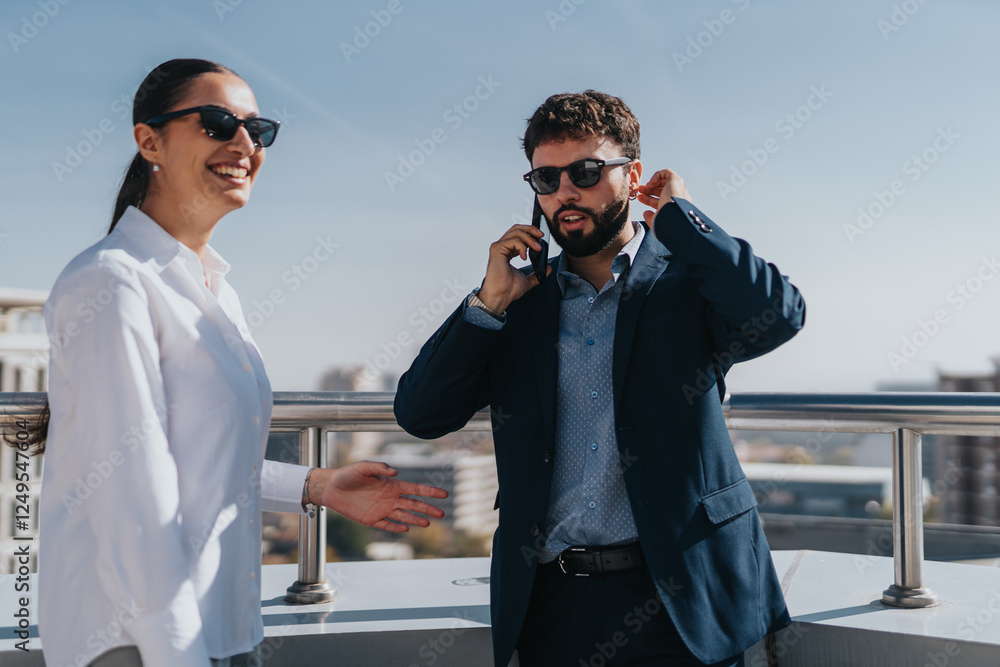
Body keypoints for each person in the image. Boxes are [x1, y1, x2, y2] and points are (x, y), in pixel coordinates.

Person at [36, 59, 447, 667]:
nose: (244, 144)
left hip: (225, 630)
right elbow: (130, 501)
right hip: (138, 643)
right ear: (149, 139)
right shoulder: (110, 284)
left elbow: (199, 458)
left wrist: (317, 487)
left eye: (259, 130)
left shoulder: (214, 289)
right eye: (218, 122)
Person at [394, 90, 806, 666]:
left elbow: (780, 315)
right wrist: (487, 305)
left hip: (685, 598)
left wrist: (683, 220)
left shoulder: (687, 283)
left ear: (632, 176)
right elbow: (420, 413)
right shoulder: (519, 304)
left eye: (585, 172)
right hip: (553, 604)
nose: (565, 191)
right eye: (546, 178)